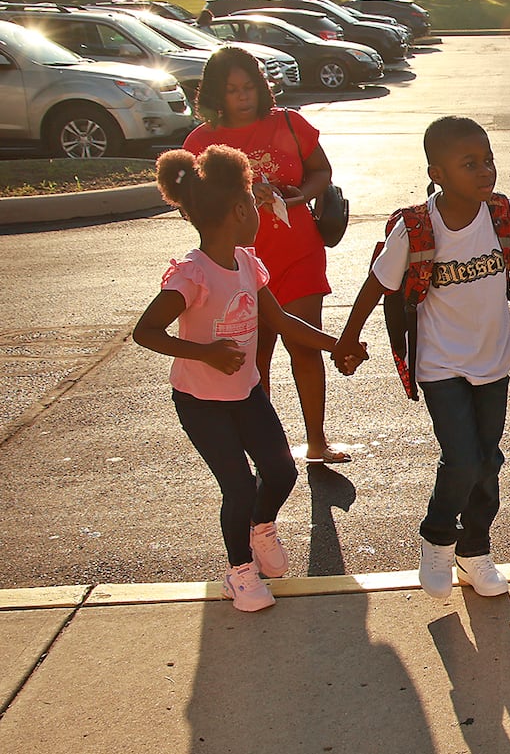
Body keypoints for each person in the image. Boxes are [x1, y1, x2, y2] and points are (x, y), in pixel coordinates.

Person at [331, 117, 510, 600]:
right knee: (463, 458)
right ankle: (438, 537)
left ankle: (475, 551)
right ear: (438, 173)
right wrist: (348, 339)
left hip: (494, 361)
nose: (485, 171)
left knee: (488, 461)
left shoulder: (504, 214)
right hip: (440, 362)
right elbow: (376, 283)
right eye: (470, 164)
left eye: (488, 160)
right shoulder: (416, 226)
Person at [133, 145, 360, 612]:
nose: (262, 209)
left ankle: (260, 528)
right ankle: (238, 572)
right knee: (236, 485)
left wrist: (336, 343)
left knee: (281, 471)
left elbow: (279, 321)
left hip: (246, 393)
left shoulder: (247, 263)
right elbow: (146, 332)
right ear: (239, 210)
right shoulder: (191, 275)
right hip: (199, 400)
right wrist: (205, 353)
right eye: (255, 201)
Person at [184, 47, 348, 464]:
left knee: (304, 346)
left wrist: (301, 198)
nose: (244, 97)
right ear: (216, 94)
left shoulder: (289, 123)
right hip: (237, 263)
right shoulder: (202, 141)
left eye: (250, 87)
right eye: (233, 90)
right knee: (255, 358)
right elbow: (191, 204)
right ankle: (266, 451)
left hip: (299, 250)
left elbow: (321, 172)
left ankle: (316, 441)